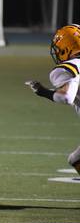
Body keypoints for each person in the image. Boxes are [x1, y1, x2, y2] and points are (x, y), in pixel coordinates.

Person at [26, 24, 80, 173]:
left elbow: (66, 97)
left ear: (66, 48)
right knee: (76, 159)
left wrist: (42, 91)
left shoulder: (69, 67)